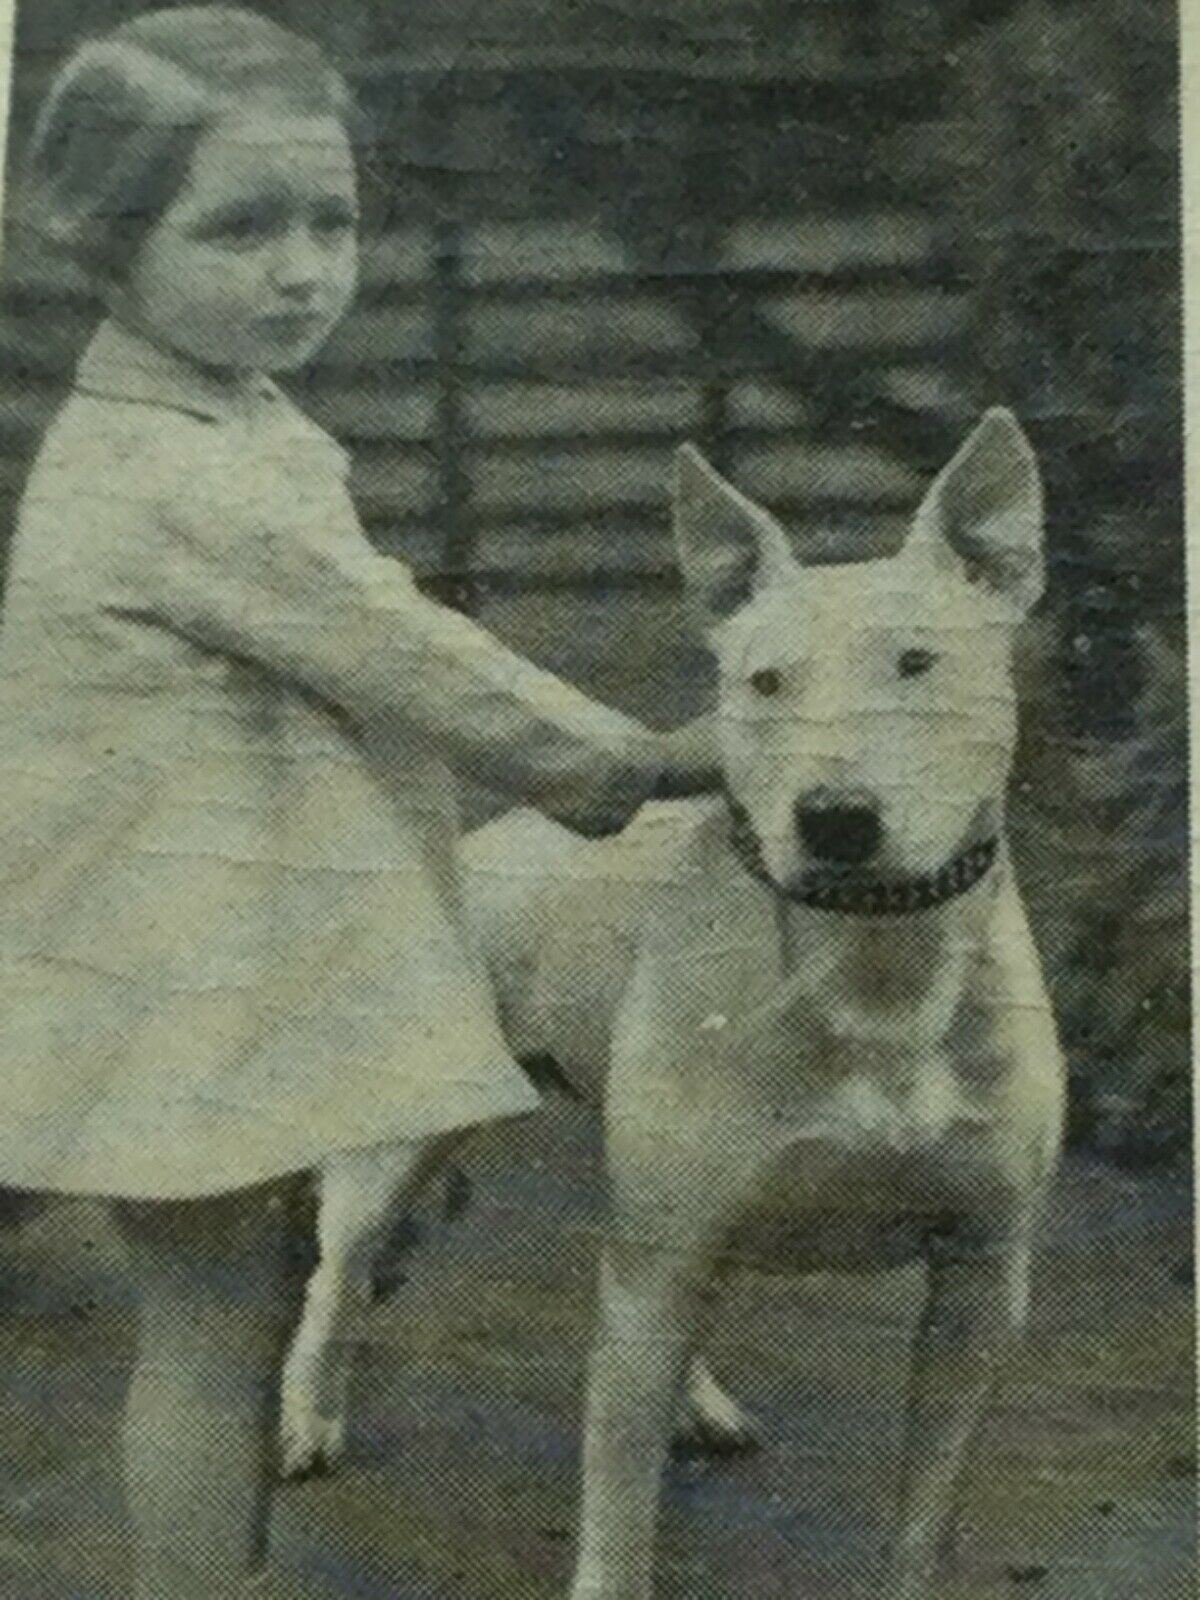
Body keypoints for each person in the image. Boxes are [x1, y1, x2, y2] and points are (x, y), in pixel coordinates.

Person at [0, 8, 719, 1596]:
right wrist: (641, 760)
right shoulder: (171, 474)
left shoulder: (232, 425)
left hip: (203, 942)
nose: (304, 269)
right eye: (241, 227)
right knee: (204, 1327)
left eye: (332, 222)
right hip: (155, 968)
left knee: (236, 1310)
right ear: (106, 244)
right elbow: (408, 655)